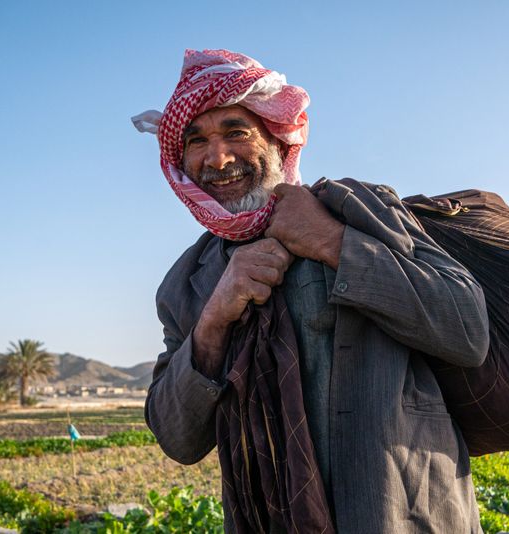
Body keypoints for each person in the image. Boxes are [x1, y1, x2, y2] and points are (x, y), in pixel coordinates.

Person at [133, 49, 490, 533]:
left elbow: (466, 329)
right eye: (197, 141)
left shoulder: (359, 209)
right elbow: (177, 437)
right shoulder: (187, 282)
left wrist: (333, 243)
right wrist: (216, 315)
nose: (217, 158)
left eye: (236, 132)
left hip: (400, 516)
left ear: (277, 138)